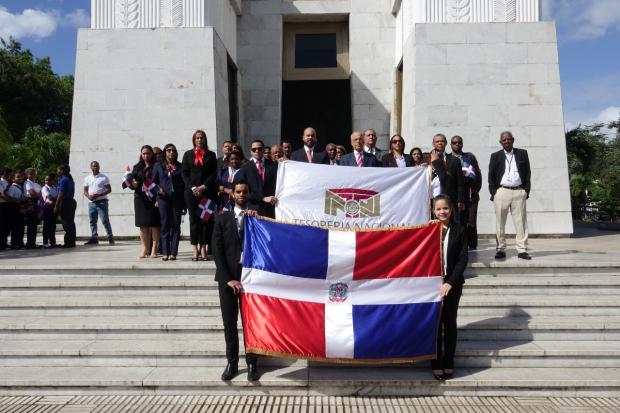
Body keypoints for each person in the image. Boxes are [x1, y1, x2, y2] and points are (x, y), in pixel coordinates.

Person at [212, 181, 260, 382]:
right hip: (228, 280)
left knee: (251, 323)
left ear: (248, 194)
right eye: (238, 192)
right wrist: (228, 279)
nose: (241, 194)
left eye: (245, 191)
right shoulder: (222, 219)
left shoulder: (256, 218)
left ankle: (252, 363)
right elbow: (217, 251)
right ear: (232, 195)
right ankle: (232, 362)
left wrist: (258, 222)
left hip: (251, 280)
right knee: (229, 323)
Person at [429, 194, 467, 381]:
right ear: (433, 211)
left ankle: (449, 361)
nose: (442, 211)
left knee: (449, 324)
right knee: (435, 325)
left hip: (452, 285)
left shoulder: (460, 230)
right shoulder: (427, 230)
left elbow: (462, 260)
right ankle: (435, 362)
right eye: (438, 208)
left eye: (445, 208)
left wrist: (450, 283)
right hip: (431, 286)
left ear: (451, 210)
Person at [488, 131, 532, 260]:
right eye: (504, 139)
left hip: (519, 191)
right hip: (502, 191)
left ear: (513, 140)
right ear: (500, 142)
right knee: (500, 222)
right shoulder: (495, 156)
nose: (507, 141)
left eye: (509, 139)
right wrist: (494, 192)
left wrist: (526, 191)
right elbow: (491, 175)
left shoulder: (522, 153)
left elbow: (528, 173)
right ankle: (500, 249)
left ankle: (522, 249)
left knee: (521, 222)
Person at [181, 130, 218, 261]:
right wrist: (193, 187)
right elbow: (184, 173)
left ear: (205, 140)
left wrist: (203, 186)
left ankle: (203, 246)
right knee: (194, 220)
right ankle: (195, 247)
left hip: (206, 192)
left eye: (201, 138)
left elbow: (213, 174)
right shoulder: (187, 155)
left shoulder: (211, 155)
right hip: (191, 193)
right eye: (197, 138)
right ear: (194, 140)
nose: (199, 140)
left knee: (205, 220)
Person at [153, 143, 185, 261]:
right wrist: (158, 190)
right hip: (163, 199)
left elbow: (184, 183)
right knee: (165, 225)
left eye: (173, 150)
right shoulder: (158, 166)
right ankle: (165, 252)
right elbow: (152, 183)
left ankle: (173, 253)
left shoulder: (180, 166)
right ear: (165, 152)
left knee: (176, 226)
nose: (171, 152)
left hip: (176, 199)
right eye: (169, 150)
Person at [450, 135, 482, 249]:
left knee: (471, 221)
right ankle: (461, 244)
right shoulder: (448, 158)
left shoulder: (469, 157)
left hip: (470, 194)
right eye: (454, 143)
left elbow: (477, 174)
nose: (457, 144)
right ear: (451, 145)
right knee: (459, 221)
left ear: (462, 144)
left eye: (459, 142)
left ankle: (472, 244)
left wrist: (475, 190)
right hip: (456, 195)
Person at [233, 139, 278, 218]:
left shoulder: (273, 165)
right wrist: (262, 198)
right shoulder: (245, 168)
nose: (257, 151)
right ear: (251, 151)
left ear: (263, 150)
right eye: (254, 149)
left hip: (271, 209)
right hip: (253, 209)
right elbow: (244, 190)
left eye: (259, 149)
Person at [131, 145, 161, 258]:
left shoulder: (157, 166)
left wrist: (158, 198)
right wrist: (133, 184)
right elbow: (132, 182)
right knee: (142, 225)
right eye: (143, 153)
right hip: (140, 199)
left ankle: (154, 248)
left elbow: (160, 182)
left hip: (153, 199)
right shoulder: (137, 167)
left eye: (148, 153)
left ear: (152, 154)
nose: (146, 155)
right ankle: (144, 248)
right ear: (141, 154)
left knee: (155, 224)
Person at [83, 161, 114, 245]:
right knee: (92, 221)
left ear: (99, 167)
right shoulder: (87, 178)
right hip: (91, 203)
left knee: (105, 220)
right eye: (93, 166)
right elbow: (85, 191)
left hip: (102, 202)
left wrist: (99, 195)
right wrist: (89, 196)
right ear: (91, 167)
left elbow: (109, 189)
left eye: (96, 166)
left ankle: (110, 237)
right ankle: (94, 238)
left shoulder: (104, 177)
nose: (95, 167)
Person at [430, 134, 464, 209]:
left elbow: (460, 181)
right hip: (429, 199)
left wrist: (460, 199)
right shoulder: (425, 158)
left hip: (447, 199)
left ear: (446, 143)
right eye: (437, 141)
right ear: (433, 144)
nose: (440, 143)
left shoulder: (454, 160)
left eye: (442, 141)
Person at [54, 164, 76, 248]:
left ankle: (68, 243)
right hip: (71, 201)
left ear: (62, 171)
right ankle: (71, 242)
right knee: (71, 223)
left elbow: (61, 193)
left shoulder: (64, 180)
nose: (57, 172)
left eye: (58, 170)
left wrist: (56, 205)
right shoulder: (70, 180)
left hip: (66, 202)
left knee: (66, 223)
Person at [6, 171, 26, 249]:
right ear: (13, 179)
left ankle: (19, 242)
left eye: (20, 177)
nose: (20, 178)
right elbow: (10, 197)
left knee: (21, 226)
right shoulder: (12, 187)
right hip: (14, 207)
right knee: (15, 226)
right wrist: (18, 200)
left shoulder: (20, 187)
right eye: (17, 177)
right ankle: (14, 243)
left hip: (19, 207)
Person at [23, 168, 42, 249]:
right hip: (30, 203)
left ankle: (32, 242)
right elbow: (31, 193)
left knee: (34, 224)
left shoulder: (37, 184)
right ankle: (30, 243)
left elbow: (41, 194)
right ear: (27, 175)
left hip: (37, 203)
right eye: (30, 174)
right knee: (31, 224)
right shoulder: (27, 182)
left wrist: (37, 194)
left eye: (33, 173)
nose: (32, 175)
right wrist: (37, 194)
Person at [41, 174, 58, 249]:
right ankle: (45, 243)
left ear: (52, 180)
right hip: (47, 208)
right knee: (47, 226)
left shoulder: (54, 188)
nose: (47, 181)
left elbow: (57, 197)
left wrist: (56, 200)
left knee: (53, 226)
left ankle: (52, 242)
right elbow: (50, 198)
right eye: (46, 180)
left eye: (49, 179)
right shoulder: (44, 188)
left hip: (53, 207)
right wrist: (57, 200)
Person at [0, 168, 11, 250]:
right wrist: (9, 199)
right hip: (2, 204)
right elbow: (1, 194)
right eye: (7, 174)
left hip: (7, 205)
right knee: (2, 225)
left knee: (7, 225)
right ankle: (1, 244)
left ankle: (4, 242)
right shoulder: (1, 181)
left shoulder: (8, 182)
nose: (8, 175)